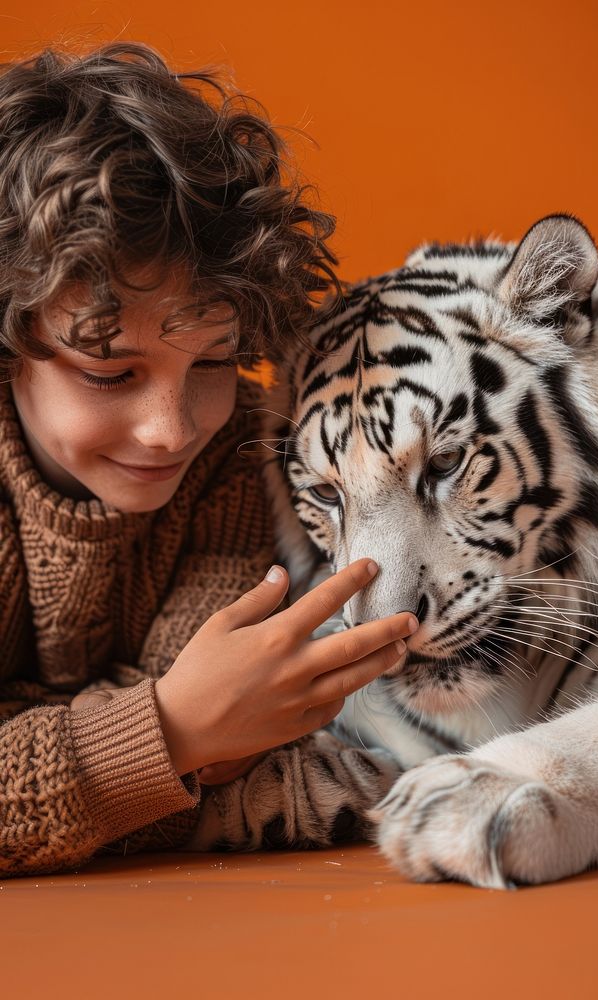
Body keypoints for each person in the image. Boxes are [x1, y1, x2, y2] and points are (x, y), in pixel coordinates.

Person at [0, 42, 418, 877]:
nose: (171, 429)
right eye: (111, 372)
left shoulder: (235, 466)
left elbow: (232, 746)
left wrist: (78, 736)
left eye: (215, 362)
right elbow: (201, 737)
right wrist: (168, 731)